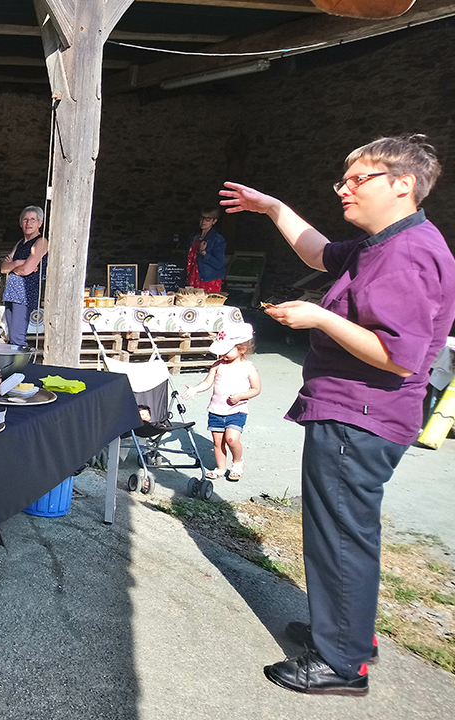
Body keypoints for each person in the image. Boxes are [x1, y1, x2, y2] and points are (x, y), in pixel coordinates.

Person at [221, 135, 455, 696]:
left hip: (362, 416)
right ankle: (348, 634)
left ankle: (341, 665)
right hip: (354, 411)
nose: (344, 189)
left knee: (341, 537)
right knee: (341, 531)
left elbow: (399, 356)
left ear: (403, 185)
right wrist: (273, 208)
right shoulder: (382, 242)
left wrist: (319, 319)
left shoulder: (411, 252)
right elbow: (319, 252)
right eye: (342, 180)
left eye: (359, 179)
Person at [185, 324, 261, 481]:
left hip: (236, 411)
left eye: (227, 350)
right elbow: (207, 383)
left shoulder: (248, 368)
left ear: (242, 349)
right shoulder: (218, 365)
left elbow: (256, 389)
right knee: (218, 441)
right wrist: (195, 389)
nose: (222, 354)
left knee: (232, 439)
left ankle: (238, 462)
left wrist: (241, 396)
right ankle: (220, 468)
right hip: (216, 410)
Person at [0, 205, 49, 346]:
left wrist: (14, 267)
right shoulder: (20, 243)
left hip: (24, 294)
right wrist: (17, 263)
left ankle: (26, 367)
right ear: (21, 223)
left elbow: (26, 270)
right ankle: (16, 367)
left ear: (40, 223)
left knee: (18, 338)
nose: (29, 223)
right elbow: (3, 268)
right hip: (10, 293)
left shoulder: (41, 242)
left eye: (33, 219)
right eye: (25, 220)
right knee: (12, 337)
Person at [187, 207, 226, 291]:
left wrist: (203, 252)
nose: (203, 221)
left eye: (208, 219)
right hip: (192, 277)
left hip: (207, 279)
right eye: (202, 218)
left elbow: (219, 264)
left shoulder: (217, 239)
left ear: (214, 221)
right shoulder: (194, 237)